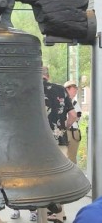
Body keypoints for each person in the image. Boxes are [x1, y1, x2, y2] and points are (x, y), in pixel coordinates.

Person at [43, 67, 77, 223]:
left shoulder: (28, 89)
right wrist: (65, 127)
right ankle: (59, 214)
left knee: (38, 179)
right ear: (48, 76)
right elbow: (73, 115)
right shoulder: (61, 90)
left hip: (36, 143)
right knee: (59, 177)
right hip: (59, 140)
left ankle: (42, 216)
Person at [64, 81, 82, 164]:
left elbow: (78, 117)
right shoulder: (61, 102)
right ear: (67, 89)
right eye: (73, 89)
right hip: (65, 131)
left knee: (72, 157)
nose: (75, 92)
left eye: (76, 90)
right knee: (64, 156)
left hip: (74, 131)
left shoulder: (75, 103)